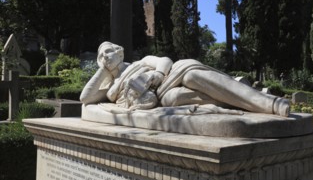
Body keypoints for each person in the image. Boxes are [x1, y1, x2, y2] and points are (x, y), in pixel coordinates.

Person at [80, 42, 290, 117]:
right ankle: (243, 95)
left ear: (120, 53)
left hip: (170, 74)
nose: (105, 57)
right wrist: (102, 70)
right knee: (175, 98)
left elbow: (165, 60)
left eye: (108, 52)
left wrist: (156, 74)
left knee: (190, 75)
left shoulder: (141, 61)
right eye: (101, 56)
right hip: (162, 96)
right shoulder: (112, 88)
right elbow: (85, 98)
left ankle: (270, 104)